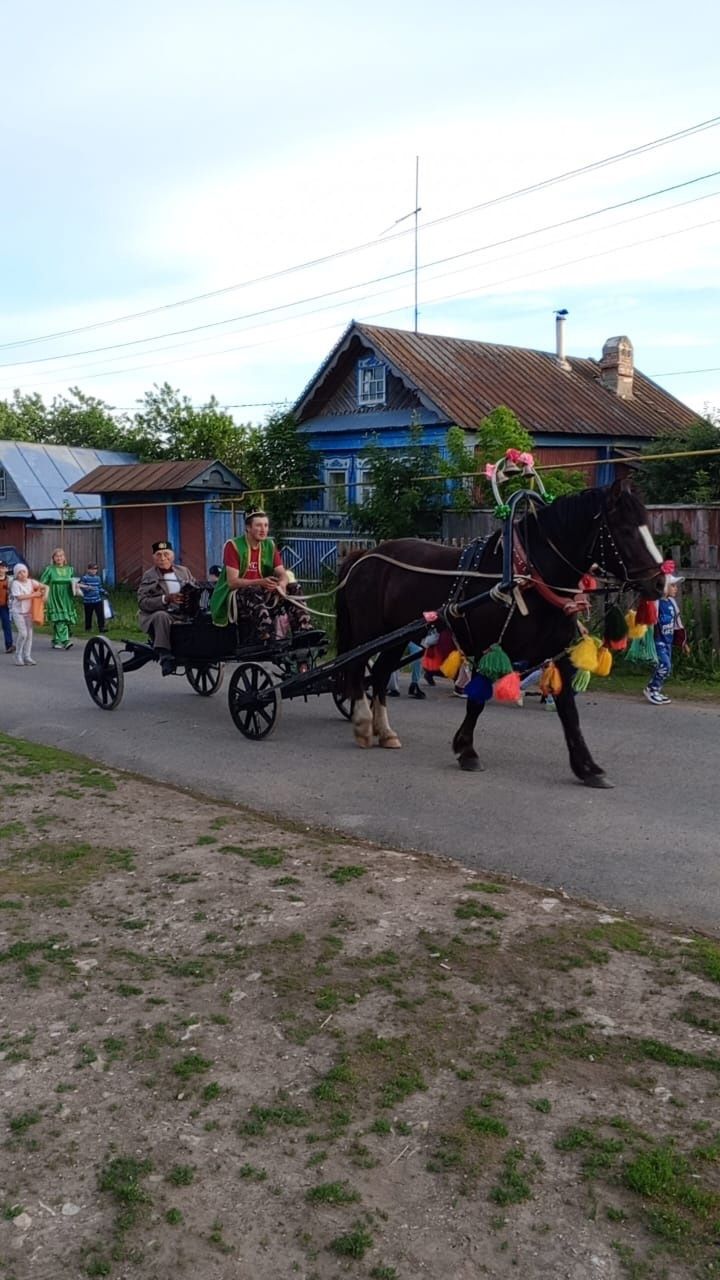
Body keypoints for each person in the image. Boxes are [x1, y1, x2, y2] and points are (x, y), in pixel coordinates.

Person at [210, 509, 313, 643]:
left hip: (262, 592)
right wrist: (261, 581)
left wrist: (282, 584)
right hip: (237, 596)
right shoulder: (233, 545)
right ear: (248, 527)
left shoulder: (269, 545)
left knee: (294, 587)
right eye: (258, 525)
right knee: (252, 591)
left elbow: (282, 572)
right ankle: (266, 633)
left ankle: (304, 629)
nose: (263, 529)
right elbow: (232, 582)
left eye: (266, 525)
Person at [137, 540, 197, 675]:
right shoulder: (149, 575)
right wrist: (166, 599)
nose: (163, 558)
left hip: (183, 613)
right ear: (153, 558)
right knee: (161, 616)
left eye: (166, 554)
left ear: (173, 556)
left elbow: (195, 588)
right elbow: (142, 602)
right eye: (158, 555)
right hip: (160, 615)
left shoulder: (183, 571)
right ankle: (164, 655)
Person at [644, 572, 689, 705]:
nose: (676, 588)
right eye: (673, 585)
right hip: (658, 641)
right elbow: (649, 621)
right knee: (665, 665)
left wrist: (683, 642)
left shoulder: (672, 603)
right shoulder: (656, 603)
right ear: (664, 587)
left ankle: (656, 689)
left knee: (666, 668)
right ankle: (651, 689)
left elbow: (677, 623)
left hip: (668, 641)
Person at [40, 547, 77, 649]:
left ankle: (56, 640)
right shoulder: (49, 569)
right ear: (53, 558)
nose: (59, 558)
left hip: (67, 597)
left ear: (64, 557)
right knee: (61, 619)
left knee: (65, 619)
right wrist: (43, 595)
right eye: (57, 556)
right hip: (54, 597)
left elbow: (74, 582)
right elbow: (42, 583)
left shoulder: (70, 569)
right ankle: (65, 641)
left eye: (61, 556)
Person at [9, 564, 44, 666]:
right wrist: (34, 595)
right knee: (23, 634)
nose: (22, 574)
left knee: (29, 635)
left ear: (27, 572)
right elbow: (19, 597)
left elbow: (44, 586)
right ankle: (18, 655)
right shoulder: (15, 584)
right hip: (18, 612)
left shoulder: (31, 582)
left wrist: (45, 594)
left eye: (23, 571)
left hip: (28, 612)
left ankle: (27, 656)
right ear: (16, 575)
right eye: (19, 573)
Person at [79, 562, 106, 634]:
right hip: (88, 601)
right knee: (88, 615)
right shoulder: (85, 578)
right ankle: (88, 628)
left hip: (97, 599)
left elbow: (99, 587)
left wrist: (104, 591)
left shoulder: (98, 578)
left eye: (95, 569)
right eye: (92, 569)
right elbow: (81, 587)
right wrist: (87, 588)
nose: (94, 571)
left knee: (100, 614)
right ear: (88, 570)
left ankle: (102, 627)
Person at [0, 560, 15, 653]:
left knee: (7, 625)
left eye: (2, 567)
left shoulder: (10, 580)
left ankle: (9, 645)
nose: (0, 569)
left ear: (6, 569)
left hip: (5, 606)